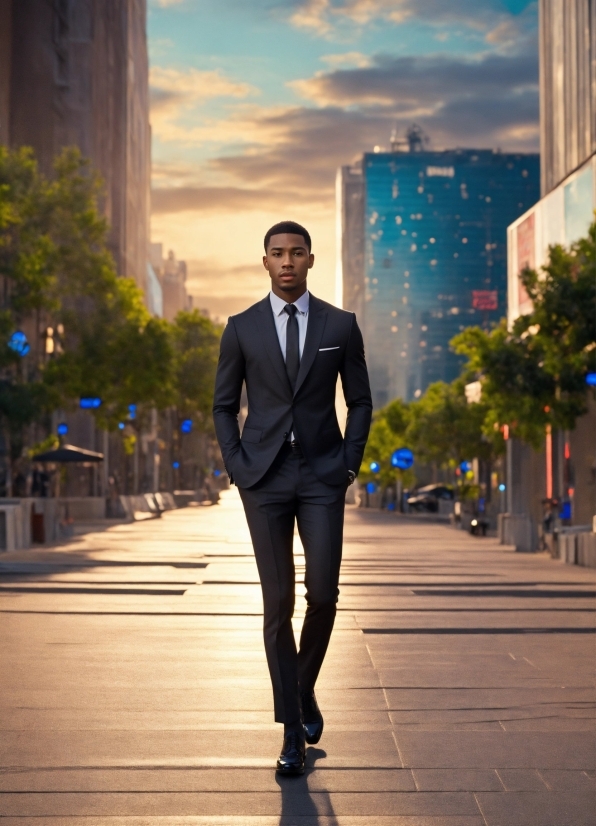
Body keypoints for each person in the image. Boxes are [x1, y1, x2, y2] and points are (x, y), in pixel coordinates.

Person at [213, 221, 372, 776]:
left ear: (310, 259)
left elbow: (361, 401)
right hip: (264, 478)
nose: (287, 262)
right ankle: (290, 733)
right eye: (277, 254)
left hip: (323, 474)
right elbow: (222, 405)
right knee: (277, 603)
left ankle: (302, 689)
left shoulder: (341, 325)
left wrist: (349, 464)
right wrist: (236, 465)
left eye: (296, 253)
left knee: (323, 594)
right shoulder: (240, 329)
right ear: (265, 262)